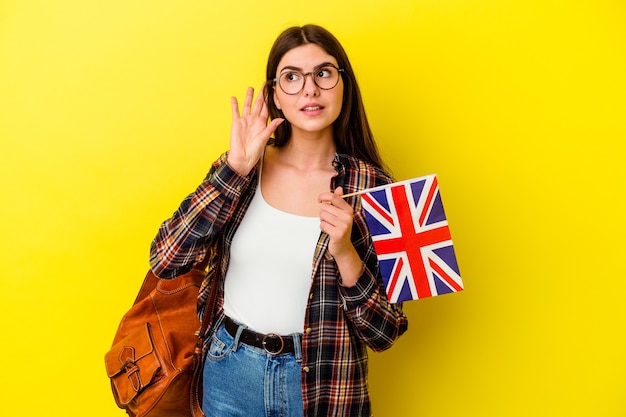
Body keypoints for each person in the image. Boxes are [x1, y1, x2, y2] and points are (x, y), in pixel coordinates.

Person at [149, 24, 408, 417]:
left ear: (344, 85)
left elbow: (386, 332)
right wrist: (234, 169)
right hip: (228, 374)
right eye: (292, 77)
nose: (310, 89)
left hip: (323, 386)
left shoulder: (377, 188)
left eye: (324, 73)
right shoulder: (241, 168)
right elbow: (166, 259)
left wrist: (345, 253)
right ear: (275, 96)